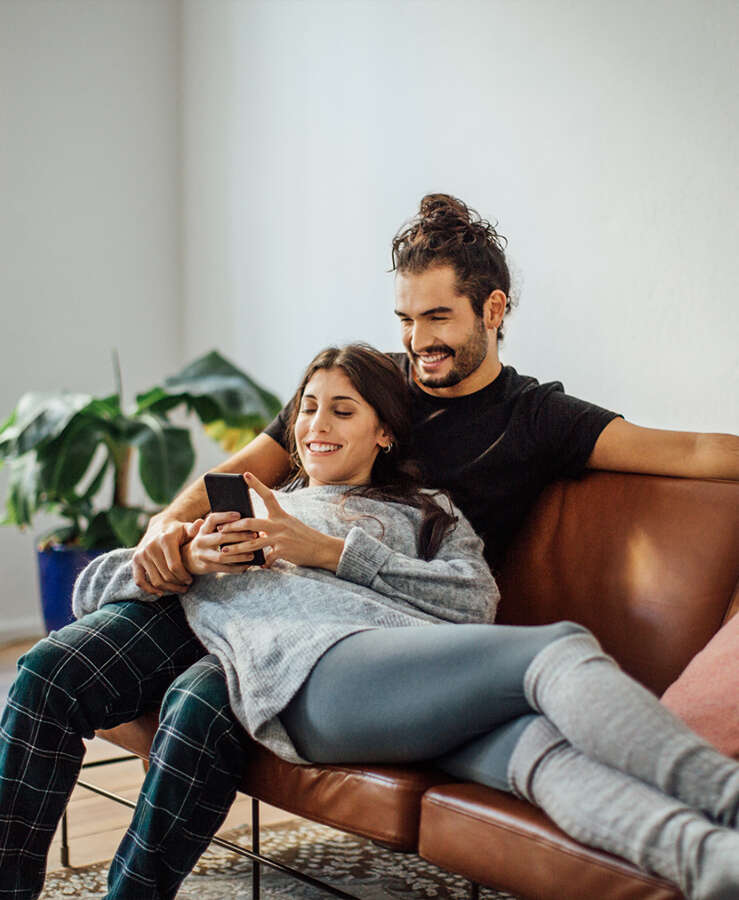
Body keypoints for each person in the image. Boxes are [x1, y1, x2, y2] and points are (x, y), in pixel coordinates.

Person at [0, 344, 737, 900]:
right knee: (45, 674)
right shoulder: (242, 509)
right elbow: (98, 586)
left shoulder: (426, 513)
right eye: (306, 409)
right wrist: (181, 551)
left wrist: (327, 552)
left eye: (341, 409)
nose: (314, 426)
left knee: (540, 752)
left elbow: (472, 601)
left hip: (362, 662)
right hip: (264, 645)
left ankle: (713, 860)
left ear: (385, 432)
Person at [129, 193, 739, 593]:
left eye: (438, 318)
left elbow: (691, 454)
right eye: (405, 319)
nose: (417, 341)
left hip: (396, 615)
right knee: (84, 653)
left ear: (492, 309)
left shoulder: (535, 416)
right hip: (278, 594)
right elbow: (245, 469)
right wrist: (164, 524)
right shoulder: (362, 383)